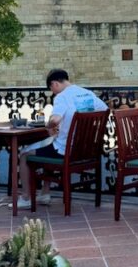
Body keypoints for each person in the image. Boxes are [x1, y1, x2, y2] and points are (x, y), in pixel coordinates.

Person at [16, 69, 108, 207]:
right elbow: (105, 110)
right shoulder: (87, 94)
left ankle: (25, 198)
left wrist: (48, 126)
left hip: (65, 152)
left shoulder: (62, 97)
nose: (53, 93)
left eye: (52, 89)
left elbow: (55, 120)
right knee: (49, 145)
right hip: (86, 151)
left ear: (55, 84)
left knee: (24, 154)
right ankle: (44, 194)